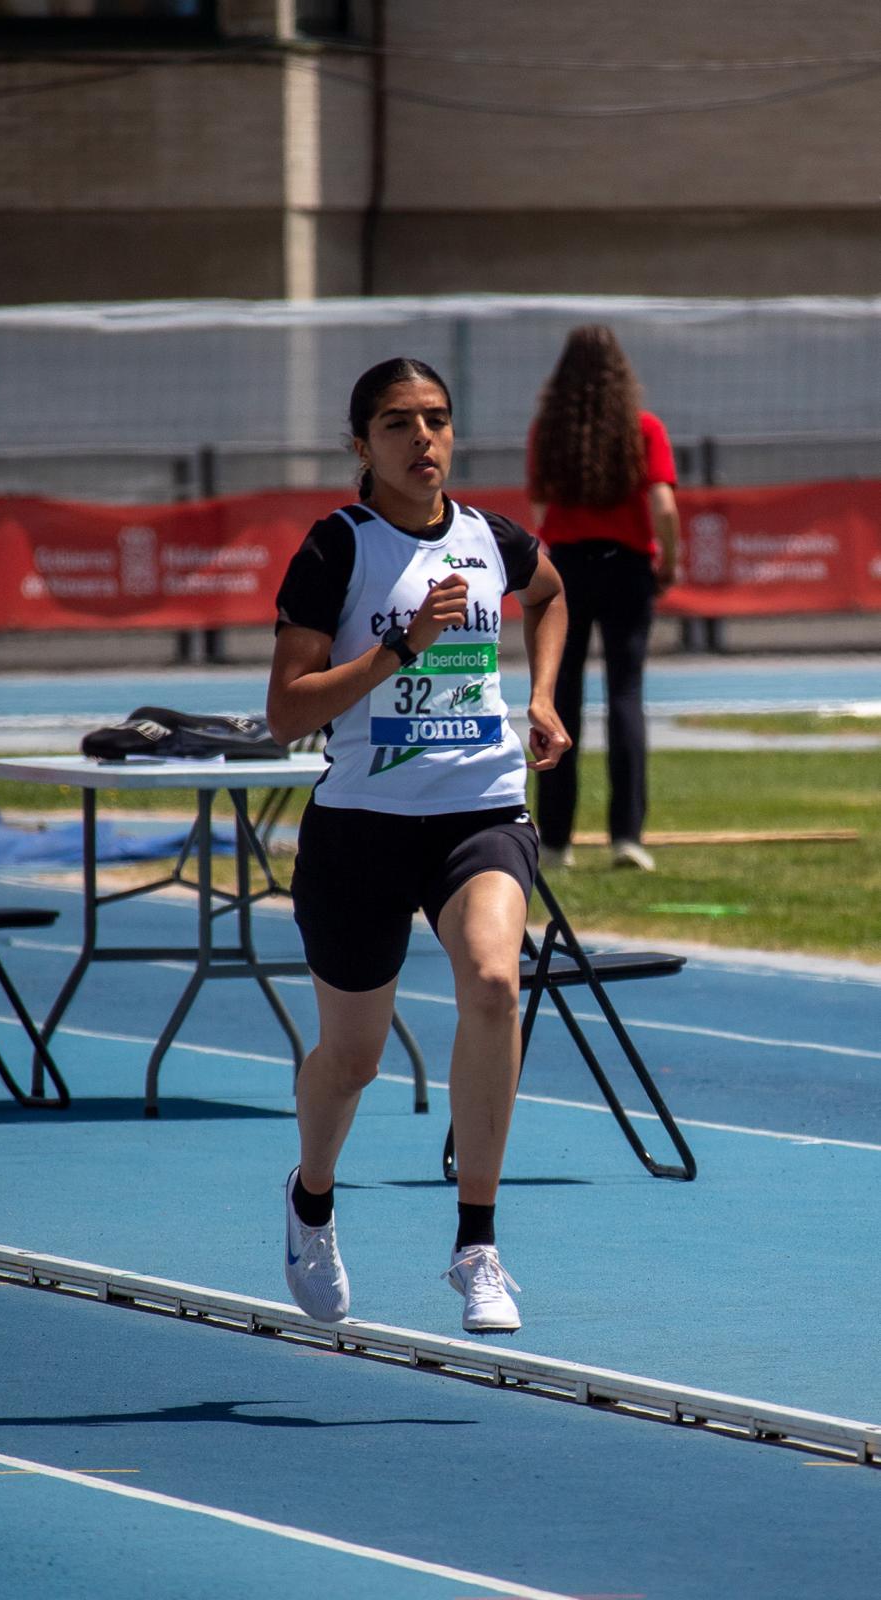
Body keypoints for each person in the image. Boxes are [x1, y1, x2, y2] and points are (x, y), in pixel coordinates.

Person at [265, 356, 570, 1335]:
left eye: (436, 419)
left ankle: (476, 1244)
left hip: (478, 810)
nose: (423, 438)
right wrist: (400, 647)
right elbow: (283, 713)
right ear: (362, 446)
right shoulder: (336, 549)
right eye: (398, 423)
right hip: (360, 827)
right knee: (351, 1059)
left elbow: (551, 593)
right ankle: (312, 1196)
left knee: (492, 980)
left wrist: (542, 696)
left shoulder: (489, 538)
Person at [527, 325, 681, 873]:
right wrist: (671, 560)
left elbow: (541, 513)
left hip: (566, 569)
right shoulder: (643, 429)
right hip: (628, 567)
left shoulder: (549, 431)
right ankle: (627, 837)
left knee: (557, 699)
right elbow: (662, 503)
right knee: (625, 696)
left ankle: (555, 842)